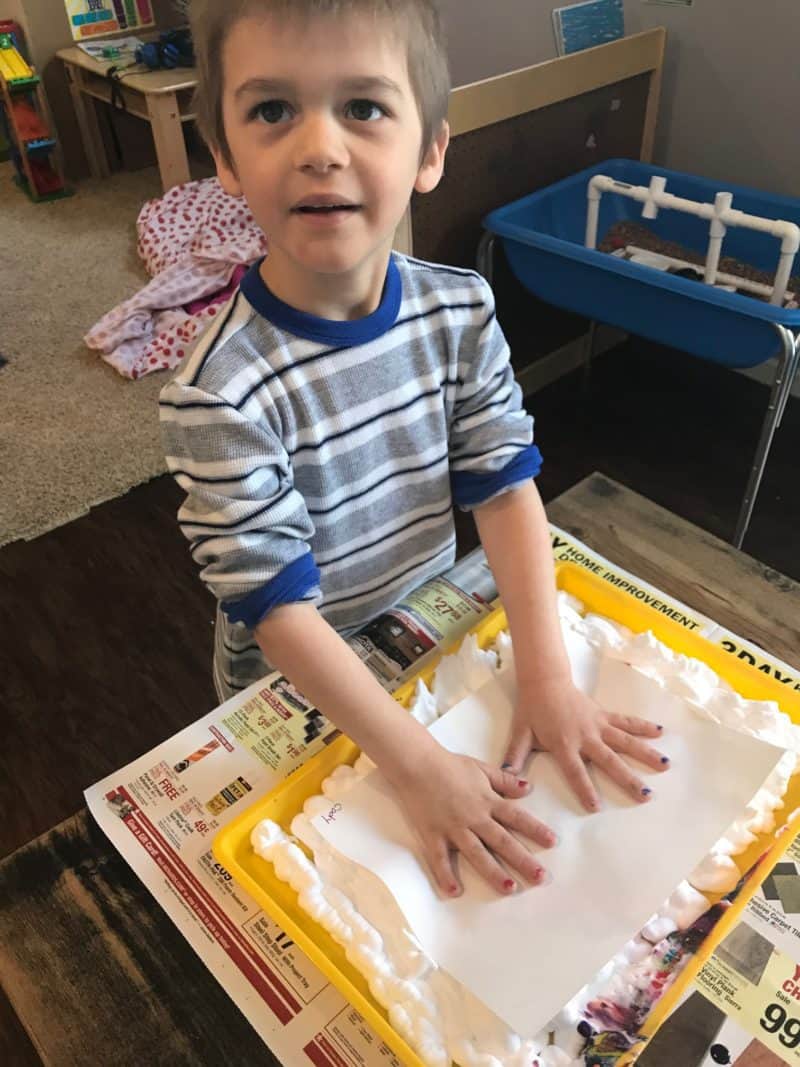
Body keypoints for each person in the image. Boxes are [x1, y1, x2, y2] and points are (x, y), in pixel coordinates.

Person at [160, 0, 668, 898]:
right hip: (300, 694)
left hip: (431, 627)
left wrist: (548, 677)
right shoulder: (215, 390)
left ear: (430, 150)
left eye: (363, 107)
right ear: (226, 158)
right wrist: (417, 765)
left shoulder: (461, 309)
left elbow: (505, 489)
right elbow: (279, 613)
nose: (320, 145)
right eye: (273, 109)